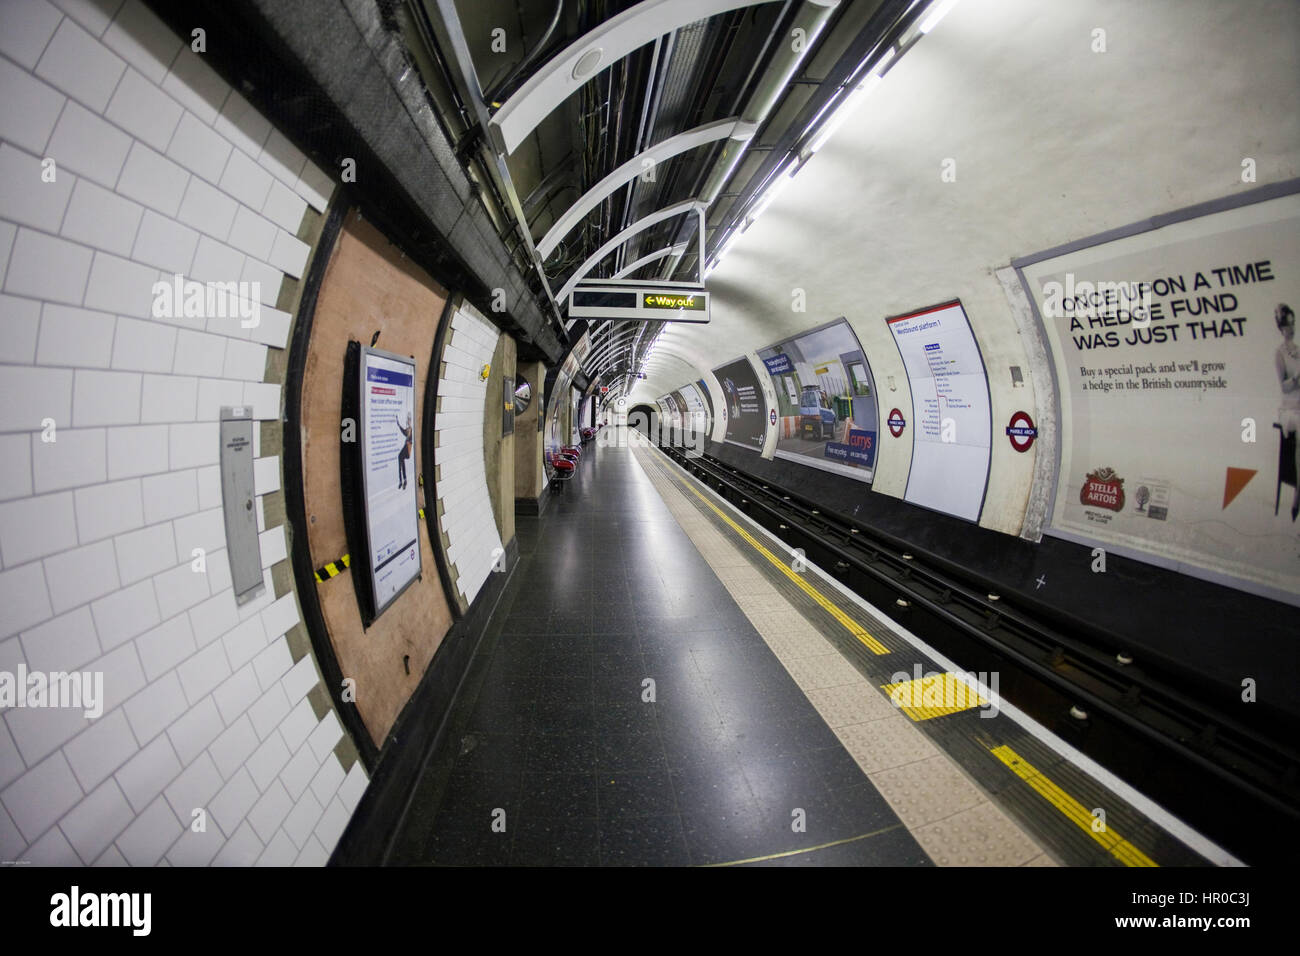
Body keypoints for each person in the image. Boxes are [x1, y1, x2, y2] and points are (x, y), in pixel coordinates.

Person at [1275, 303, 1300, 521]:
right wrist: (1297, 378)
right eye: (1287, 325)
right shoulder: (1279, 353)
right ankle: (1297, 498)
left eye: (1293, 323)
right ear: (1280, 328)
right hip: (1290, 410)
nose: (1291, 328)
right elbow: (1284, 386)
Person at [395, 411, 413, 490]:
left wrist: (401, 426)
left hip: (407, 449)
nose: (408, 421)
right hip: (406, 448)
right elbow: (404, 432)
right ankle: (402, 480)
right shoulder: (408, 429)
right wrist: (399, 425)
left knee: (400, 457)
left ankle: (402, 480)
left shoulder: (410, 429)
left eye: (409, 420)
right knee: (401, 461)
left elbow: (407, 434)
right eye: (407, 420)